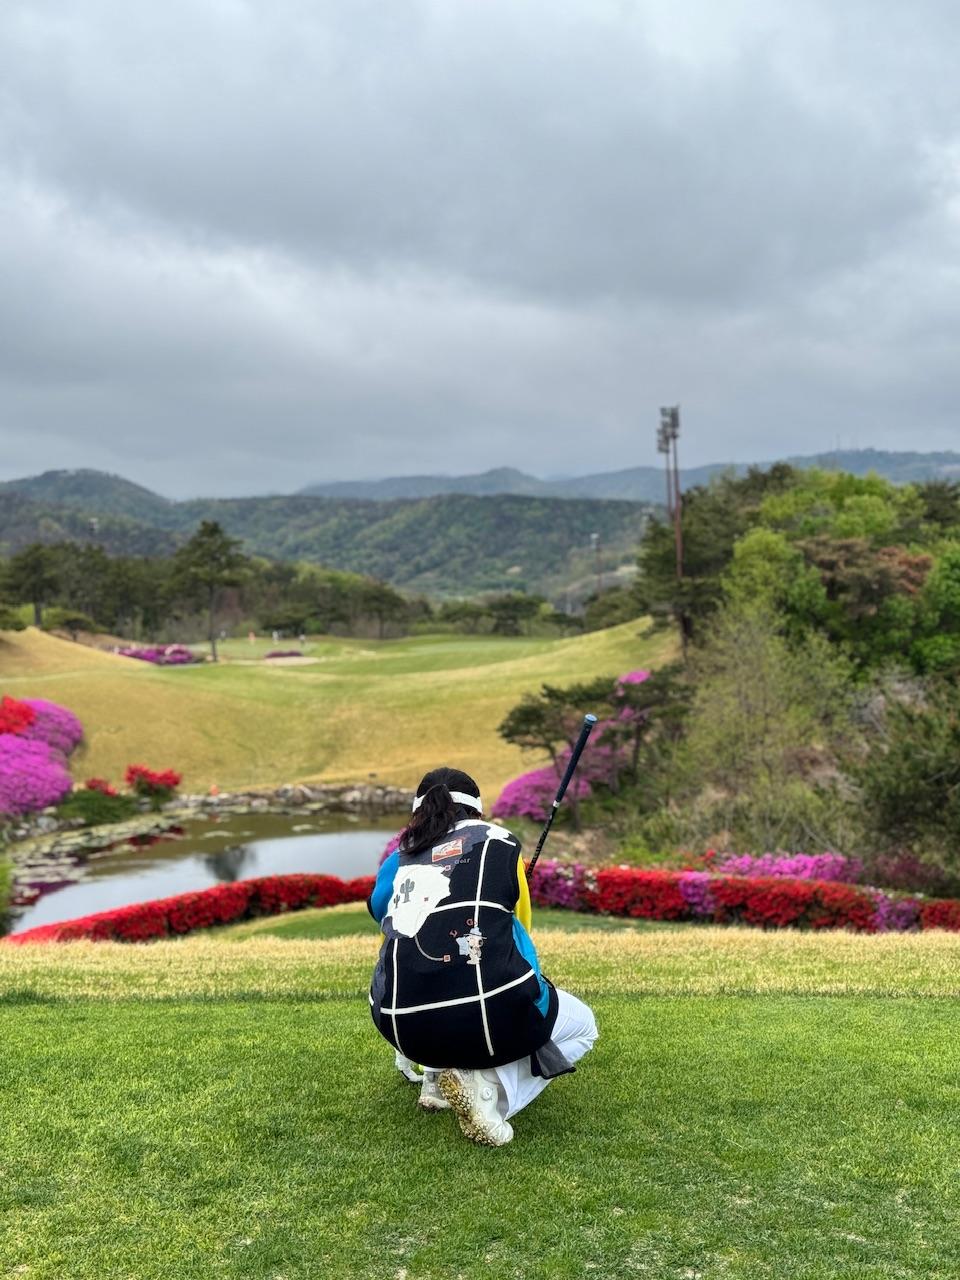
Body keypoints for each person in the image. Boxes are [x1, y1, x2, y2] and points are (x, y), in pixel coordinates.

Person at [367, 766, 598, 1146]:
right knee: (583, 1026)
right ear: (477, 810)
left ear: (418, 812)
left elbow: (384, 919)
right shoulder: (499, 842)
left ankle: (434, 1080)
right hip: (486, 1014)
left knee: (428, 968)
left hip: (399, 1025)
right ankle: (491, 1091)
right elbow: (519, 931)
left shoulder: (399, 858)